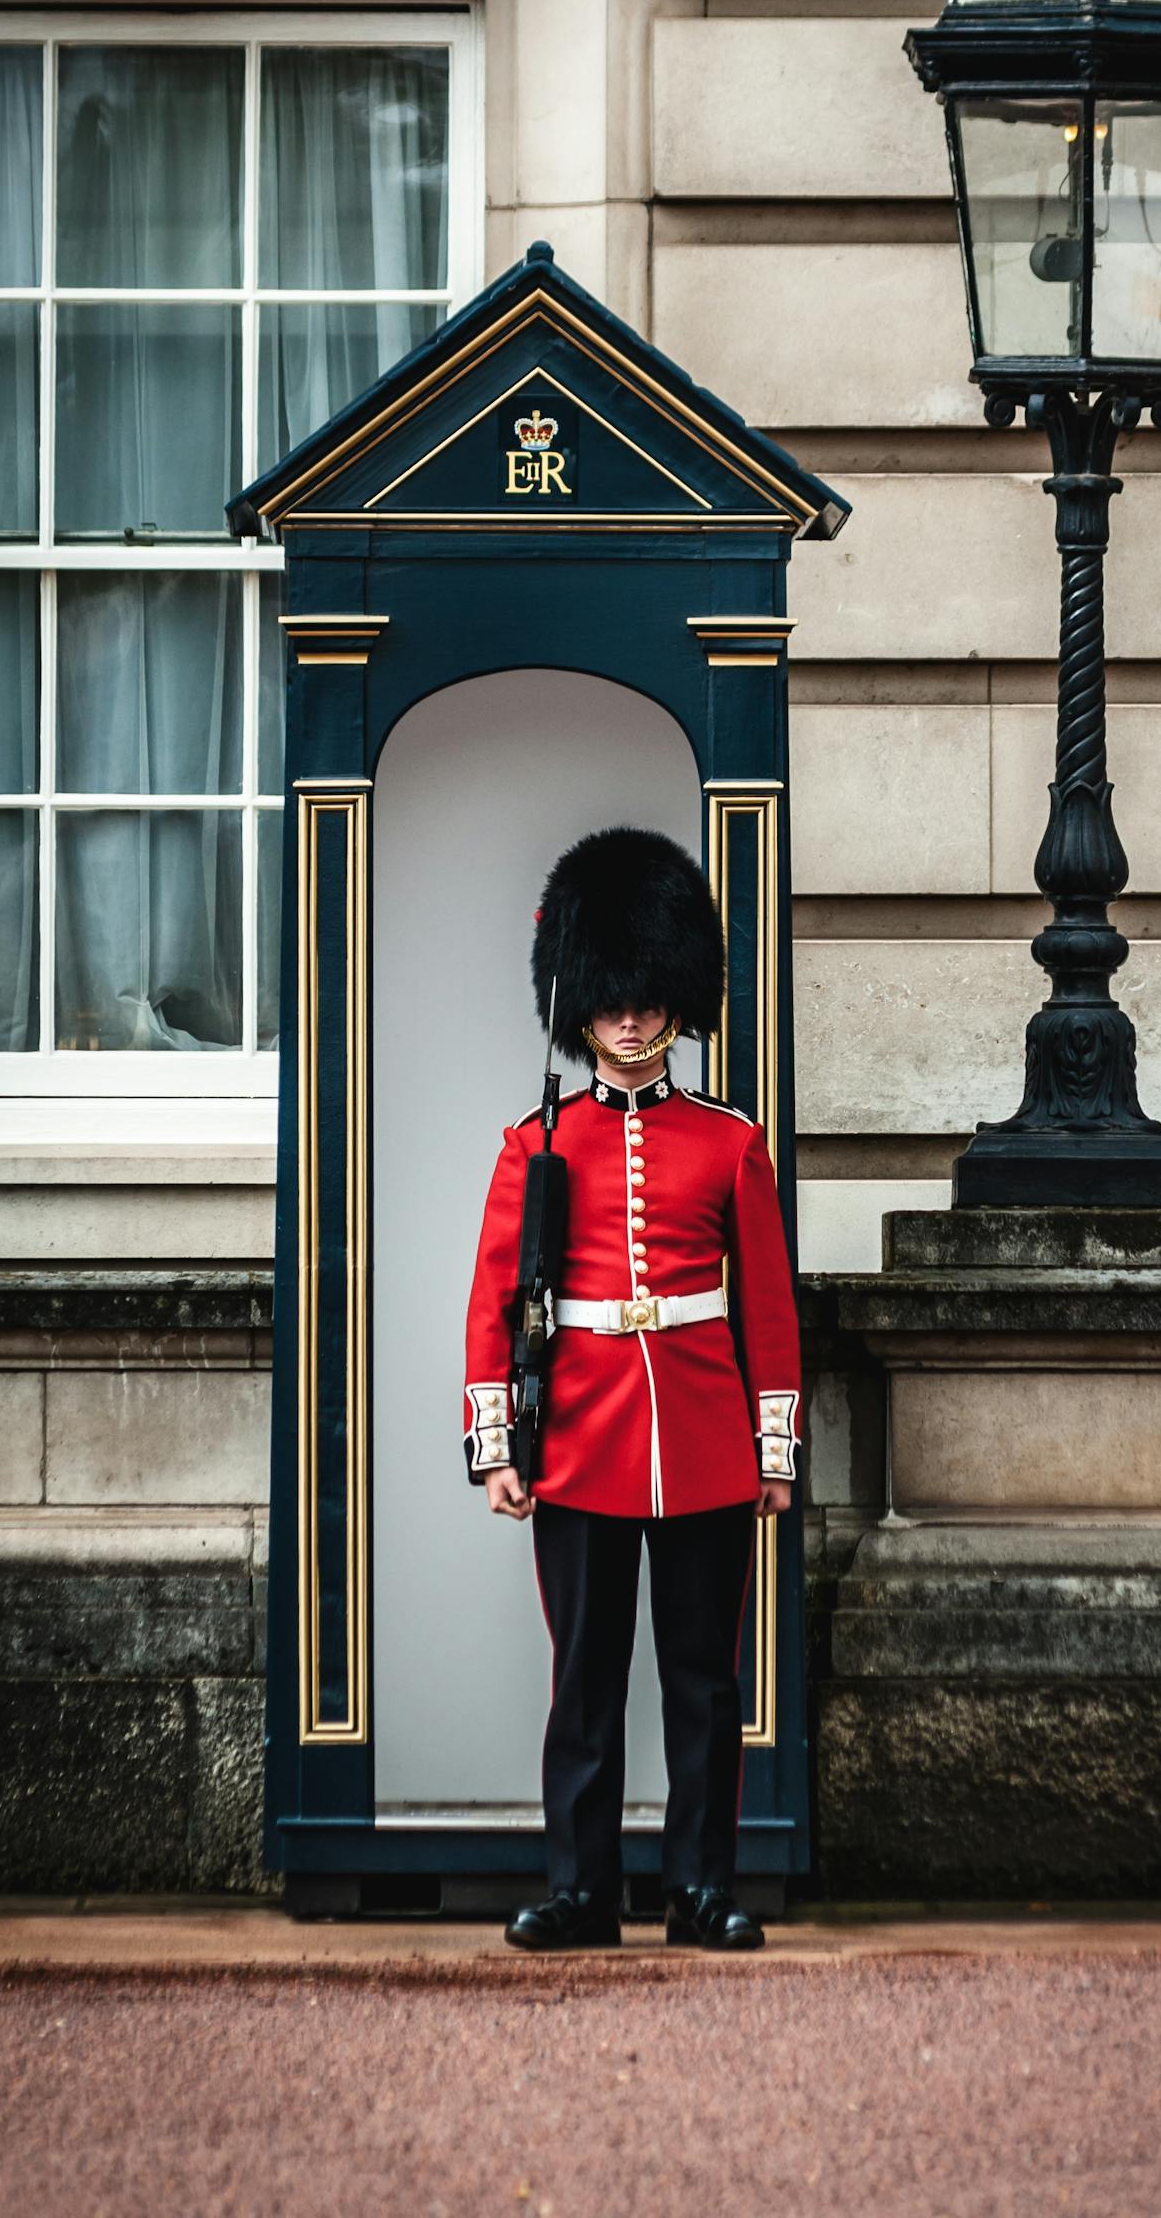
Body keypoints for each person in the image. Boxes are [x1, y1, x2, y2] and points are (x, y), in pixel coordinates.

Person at [462, 824, 802, 1952]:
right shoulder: (533, 1146)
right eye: (611, 998)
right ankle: (583, 1889)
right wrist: (498, 1444)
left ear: (672, 996)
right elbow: (496, 1304)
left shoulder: (728, 1142)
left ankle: (699, 1887)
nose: (631, 1019)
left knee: (704, 1685)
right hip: (580, 1439)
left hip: (703, 1436)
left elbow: (764, 1309)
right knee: (586, 1686)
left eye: (649, 996)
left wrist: (774, 1449)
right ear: (582, 1000)